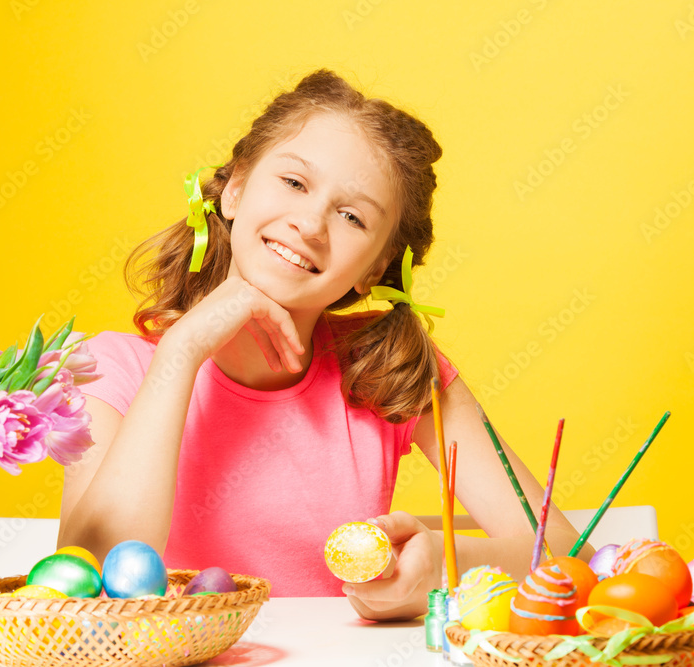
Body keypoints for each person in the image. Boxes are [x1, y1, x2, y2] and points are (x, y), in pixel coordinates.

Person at [59, 69, 591, 621]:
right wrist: (181, 352)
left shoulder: (394, 374)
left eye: (353, 216)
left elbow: (570, 554)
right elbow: (89, 583)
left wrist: (442, 567)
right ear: (235, 190)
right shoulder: (112, 369)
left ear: (375, 269)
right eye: (294, 183)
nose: (311, 224)